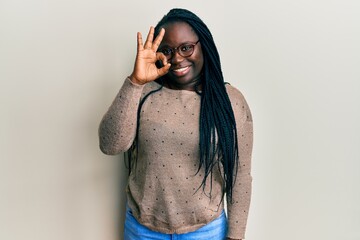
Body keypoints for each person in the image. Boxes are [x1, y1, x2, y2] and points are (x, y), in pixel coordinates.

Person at [98, 8, 253, 240]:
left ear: (203, 46)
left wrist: (235, 236)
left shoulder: (229, 101)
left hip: (206, 232)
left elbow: (240, 174)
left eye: (186, 48)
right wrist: (135, 82)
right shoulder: (142, 94)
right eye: (167, 51)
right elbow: (110, 145)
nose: (177, 58)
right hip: (142, 231)